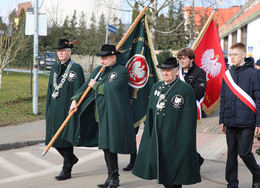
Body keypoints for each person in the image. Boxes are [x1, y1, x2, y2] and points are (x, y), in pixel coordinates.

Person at [68, 44, 136, 188]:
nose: (102, 61)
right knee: (106, 146)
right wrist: (75, 99)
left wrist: (96, 86)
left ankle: (114, 178)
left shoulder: (121, 70)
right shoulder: (99, 71)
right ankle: (111, 177)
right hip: (100, 114)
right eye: (101, 58)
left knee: (111, 145)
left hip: (113, 114)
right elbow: (87, 85)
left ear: (113, 57)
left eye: (105, 58)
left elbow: (112, 89)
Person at [132, 57, 201, 188]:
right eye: (163, 71)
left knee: (174, 176)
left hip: (175, 139)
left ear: (176, 70)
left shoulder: (185, 89)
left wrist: (186, 142)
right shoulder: (156, 87)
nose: (165, 73)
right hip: (158, 138)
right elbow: (151, 114)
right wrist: (149, 136)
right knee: (162, 173)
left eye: (168, 70)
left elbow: (189, 119)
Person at [219, 42, 260, 188]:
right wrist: (221, 119)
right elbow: (223, 98)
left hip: (247, 121)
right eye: (229, 55)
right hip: (230, 121)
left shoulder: (254, 74)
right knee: (231, 155)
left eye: (234, 54)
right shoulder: (227, 75)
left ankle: (257, 174)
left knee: (244, 153)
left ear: (243, 55)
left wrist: (258, 122)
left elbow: (259, 99)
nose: (231, 58)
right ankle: (232, 183)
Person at [45, 39, 85, 181]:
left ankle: (66, 169)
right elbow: (50, 89)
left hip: (67, 109)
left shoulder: (76, 68)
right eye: (59, 51)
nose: (60, 53)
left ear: (70, 51)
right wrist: (48, 109)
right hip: (54, 109)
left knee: (65, 139)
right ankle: (72, 159)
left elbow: (80, 89)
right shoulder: (55, 68)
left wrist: (75, 103)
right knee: (52, 138)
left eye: (63, 50)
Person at [176, 47, 206, 169]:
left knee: (187, 138)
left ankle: (195, 162)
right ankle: (195, 159)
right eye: (180, 59)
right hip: (177, 109)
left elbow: (199, 92)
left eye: (184, 58)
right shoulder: (176, 71)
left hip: (190, 110)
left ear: (191, 59)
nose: (181, 61)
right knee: (179, 138)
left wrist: (180, 94)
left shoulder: (199, 72)